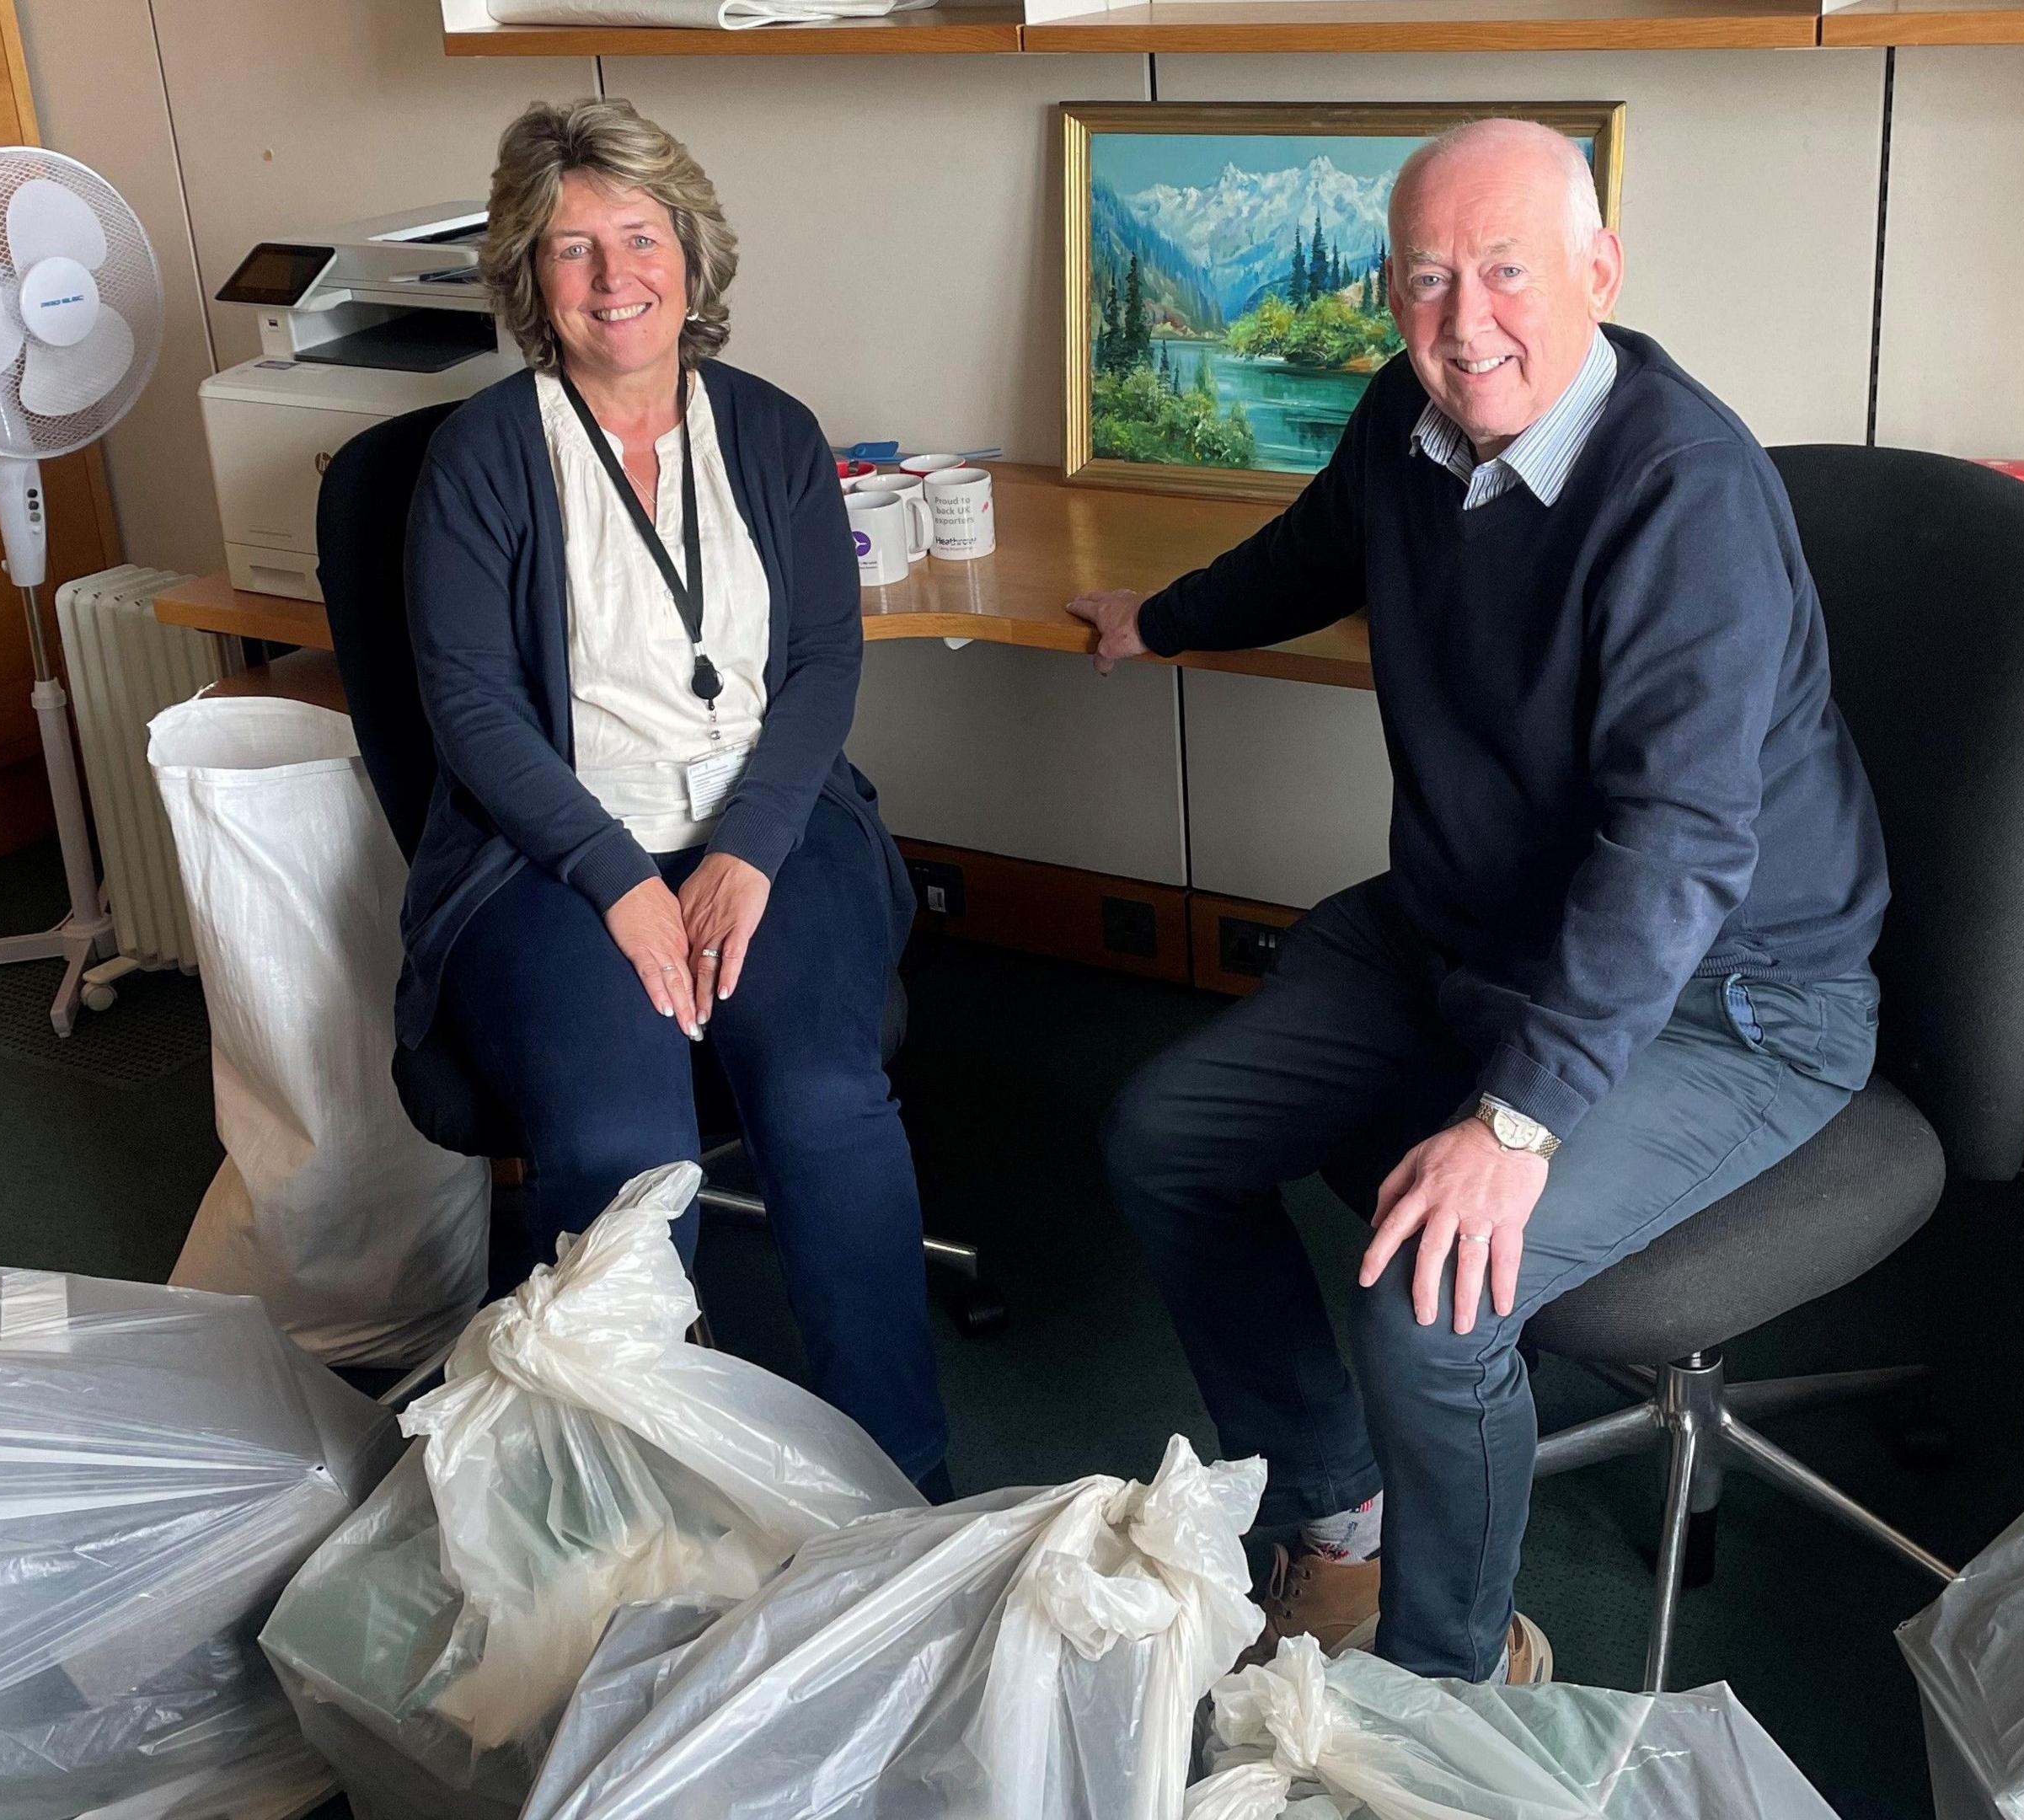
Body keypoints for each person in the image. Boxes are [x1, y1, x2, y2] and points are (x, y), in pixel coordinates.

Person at [1071, 118, 1888, 1682]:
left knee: (1434, 1314)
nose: (1466, 323)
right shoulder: (1408, 416)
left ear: (1601, 271)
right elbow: (1314, 554)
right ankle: (1342, 1527)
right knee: (1166, 1136)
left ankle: (1457, 1677)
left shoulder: (1681, 492)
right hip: (1470, 930)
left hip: (1734, 992)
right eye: (1428, 281)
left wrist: (1518, 1123)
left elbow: (1681, 846)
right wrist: (1155, 621)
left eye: (1507, 272)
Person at [393, 97, 947, 1496]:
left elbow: (823, 661)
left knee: (824, 1093)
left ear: (691, 256)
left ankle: (906, 1490)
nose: (613, 275)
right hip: (552, 853)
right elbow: (471, 710)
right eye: (571, 249)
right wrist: (622, 882)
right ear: (530, 279)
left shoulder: (770, 432)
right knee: (622, 1146)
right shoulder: (482, 459)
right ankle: (626, 1497)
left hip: (773, 824)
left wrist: (748, 853)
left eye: (640, 237)